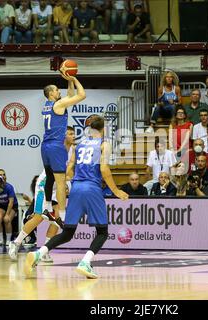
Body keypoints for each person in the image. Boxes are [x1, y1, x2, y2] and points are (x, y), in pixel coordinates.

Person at [24, 116, 129, 279]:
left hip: (76, 188)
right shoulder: (104, 144)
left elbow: (69, 167)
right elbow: (104, 169)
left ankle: (38, 253)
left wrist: (67, 183)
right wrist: (116, 190)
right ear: (103, 129)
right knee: (102, 232)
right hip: (92, 188)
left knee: (67, 232)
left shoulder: (79, 145)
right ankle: (85, 262)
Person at [9, 126, 76, 261]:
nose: (73, 136)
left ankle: (44, 250)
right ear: (64, 136)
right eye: (70, 133)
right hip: (45, 185)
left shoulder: (73, 149)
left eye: (74, 133)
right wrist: (68, 181)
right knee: (38, 217)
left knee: (57, 220)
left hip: (58, 186)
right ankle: (16, 242)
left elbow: (70, 171)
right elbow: (67, 172)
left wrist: (67, 184)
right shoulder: (57, 149)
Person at [40, 71, 86, 235]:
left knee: (50, 177)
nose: (59, 92)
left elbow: (70, 95)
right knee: (61, 182)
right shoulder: (58, 105)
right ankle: (63, 216)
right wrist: (74, 79)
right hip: (55, 146)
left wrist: (69, 83)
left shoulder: (47, 105)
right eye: (57, 90)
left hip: (44, 146)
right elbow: (81, 95)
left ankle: (46, 208)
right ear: (51, 93)